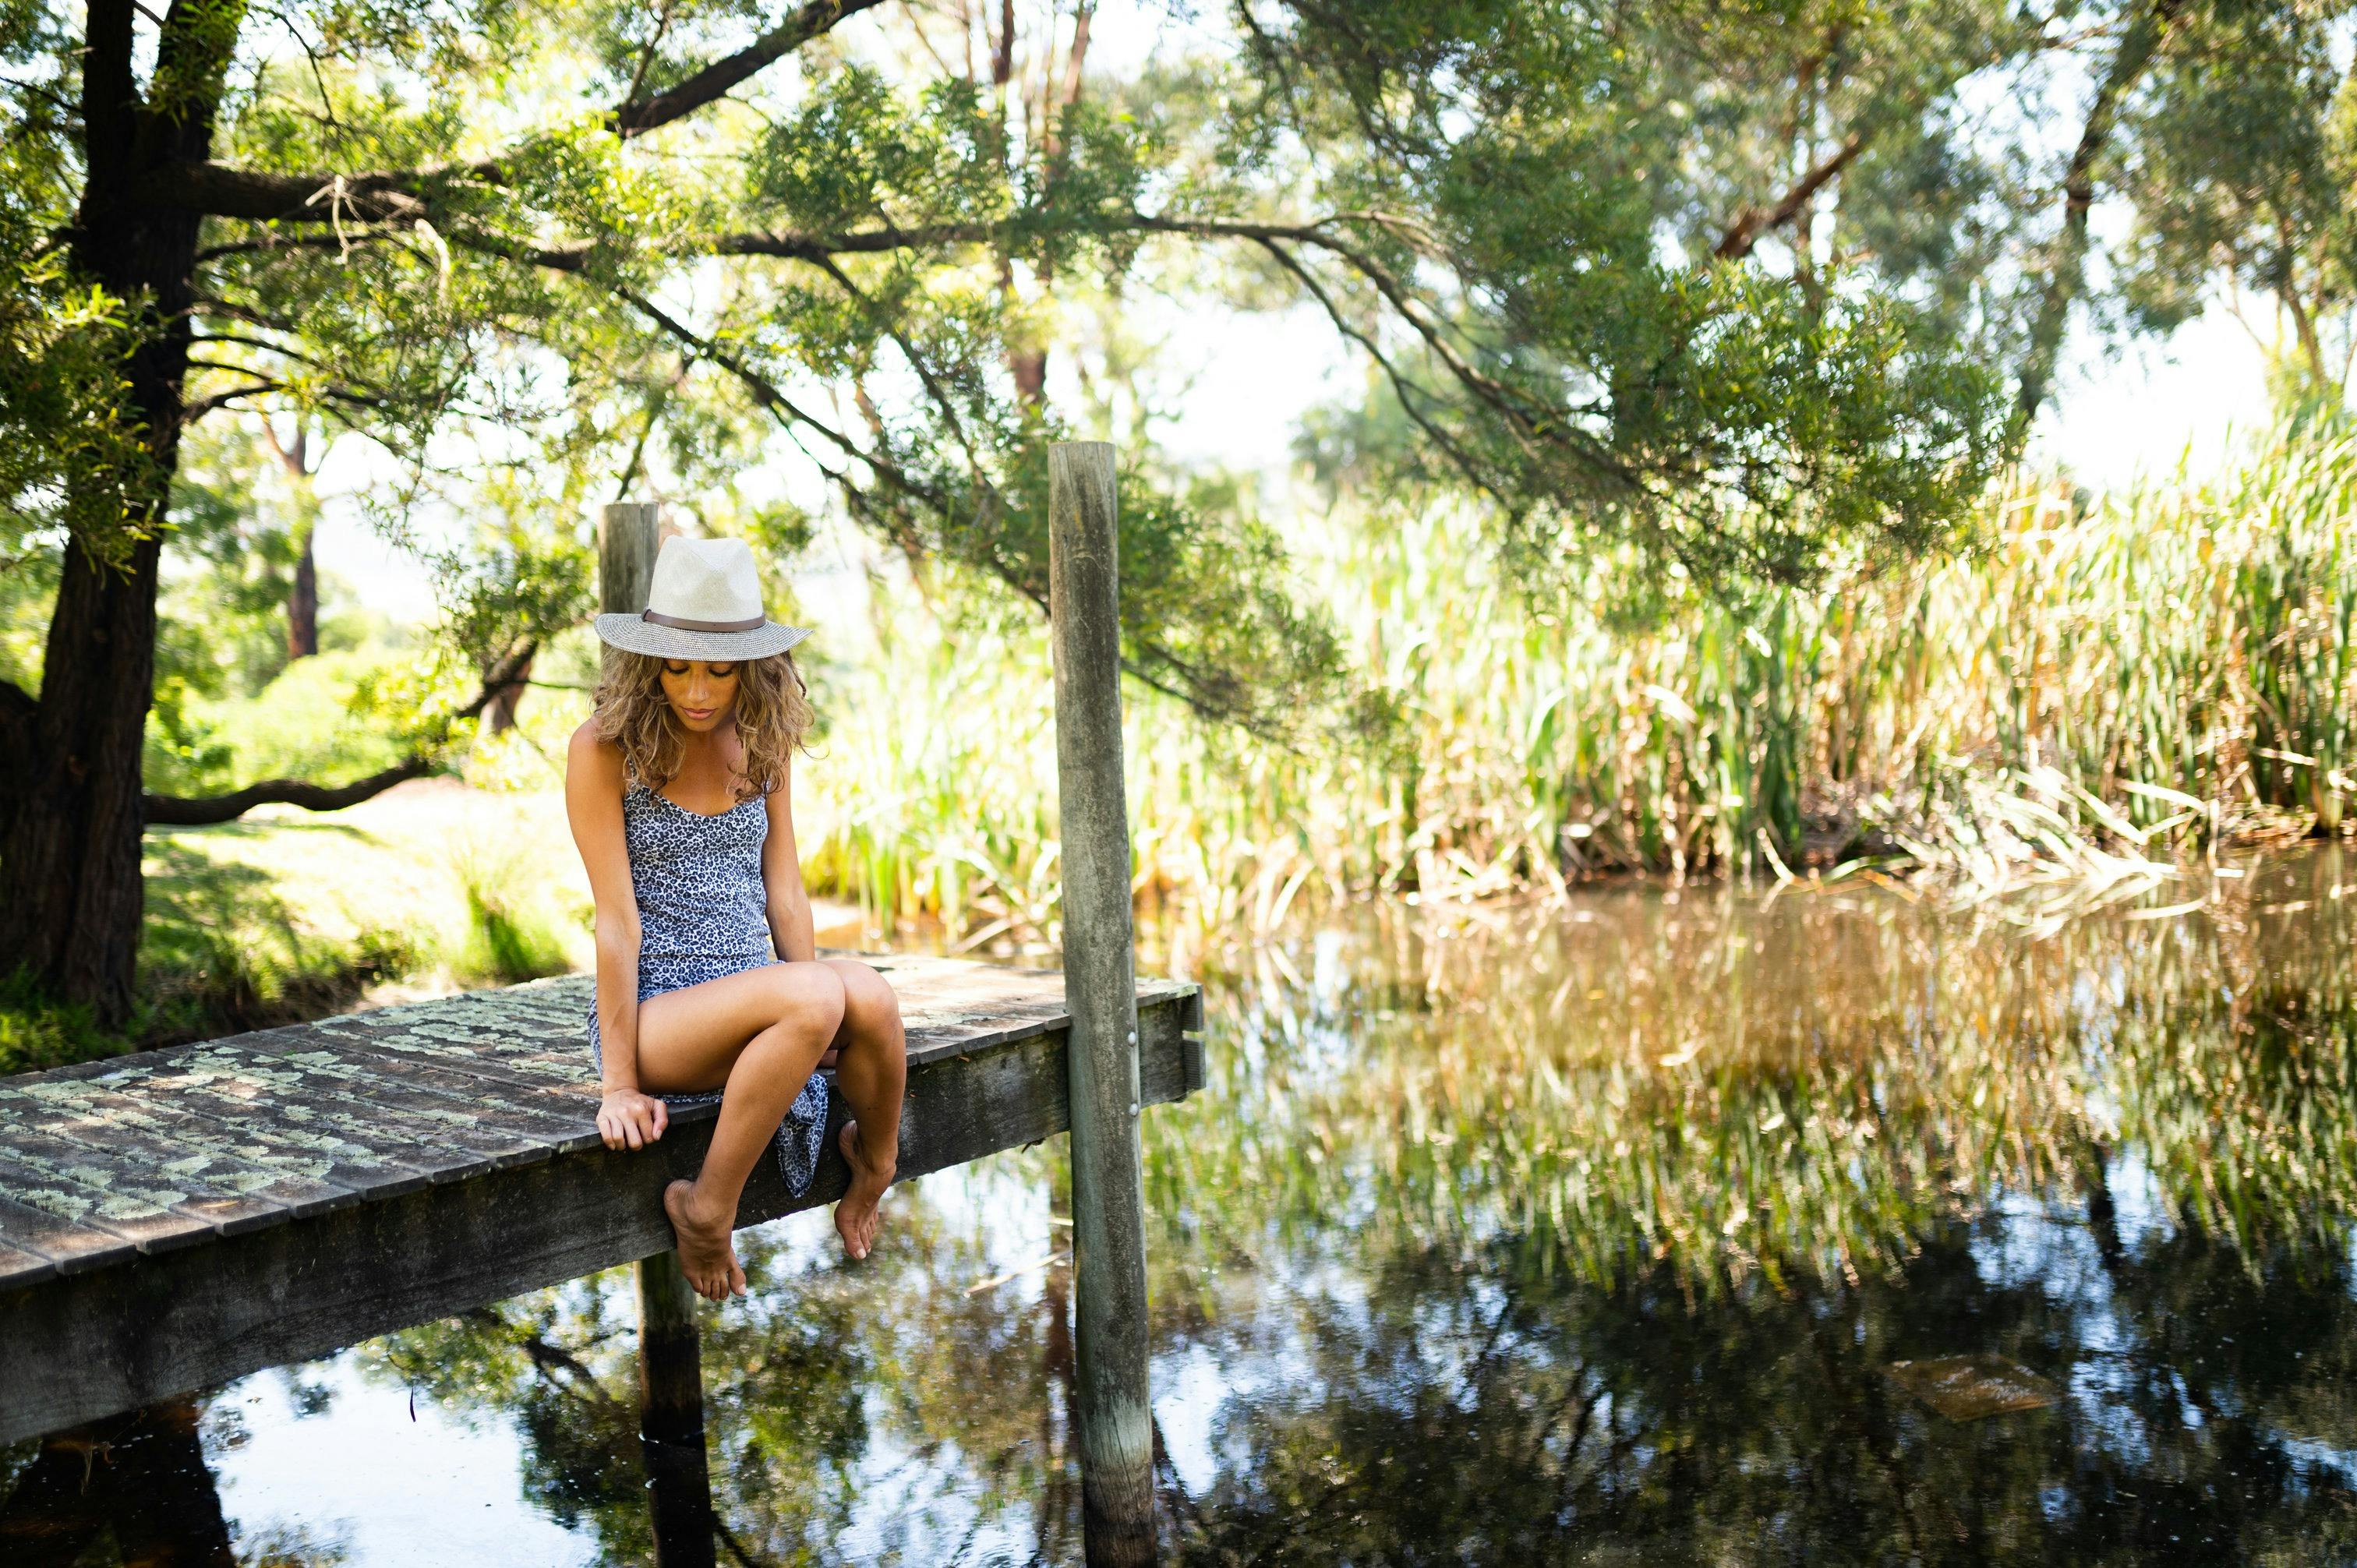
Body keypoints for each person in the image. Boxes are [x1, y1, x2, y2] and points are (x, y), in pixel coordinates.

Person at [567, 535, 906, 1300]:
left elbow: (784, 890)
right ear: (646, 656)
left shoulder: (764, 742)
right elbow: (615, 921)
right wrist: (618, 1084)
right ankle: (704, 1210)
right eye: (678, 665)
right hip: (660, 1018)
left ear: (752, 664)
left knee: (871, 997)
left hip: (763, 999)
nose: (697, 689)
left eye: (719, 669)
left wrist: (814, 1020)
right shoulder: (602, 750)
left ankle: (875, 1165)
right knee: (817, 993)